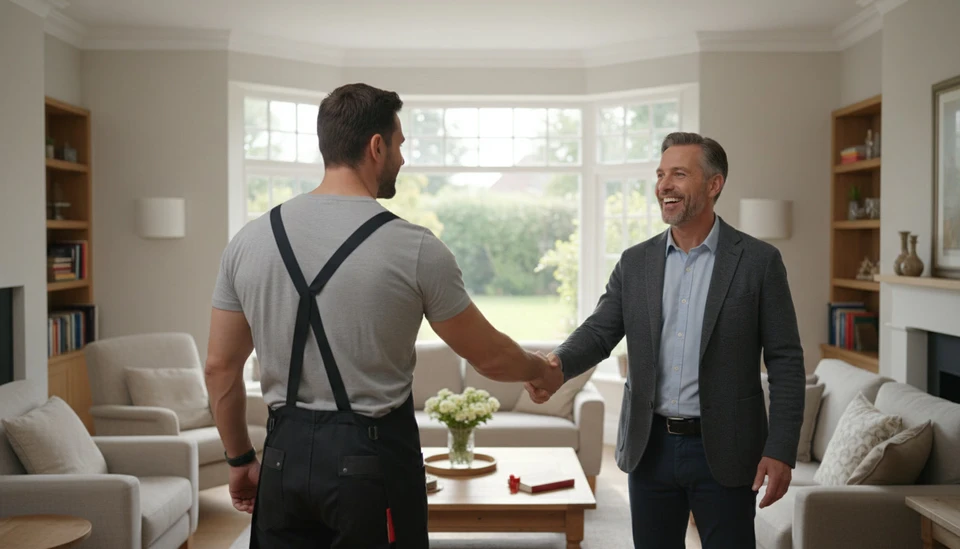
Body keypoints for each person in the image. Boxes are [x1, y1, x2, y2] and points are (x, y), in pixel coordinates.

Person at [204, 83, 563, 549]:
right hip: (372, 468)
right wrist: (540, 369)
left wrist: (238, 461)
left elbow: (219, 368)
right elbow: (490, 357)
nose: (403, 159)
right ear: (377, 146)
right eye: (400, 144)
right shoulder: (413, 247)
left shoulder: (248, 242)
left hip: (282, 461)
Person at [527, 132, 805, 548]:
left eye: (679, 173)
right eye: (660, 174)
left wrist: (781, 449)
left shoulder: (759, 262)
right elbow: (601, 330)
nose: (664, 185)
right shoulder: (635, 262)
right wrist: (557, 366)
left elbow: (785, 360)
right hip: (650, 448)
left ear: (714, 185)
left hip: (728, 451)